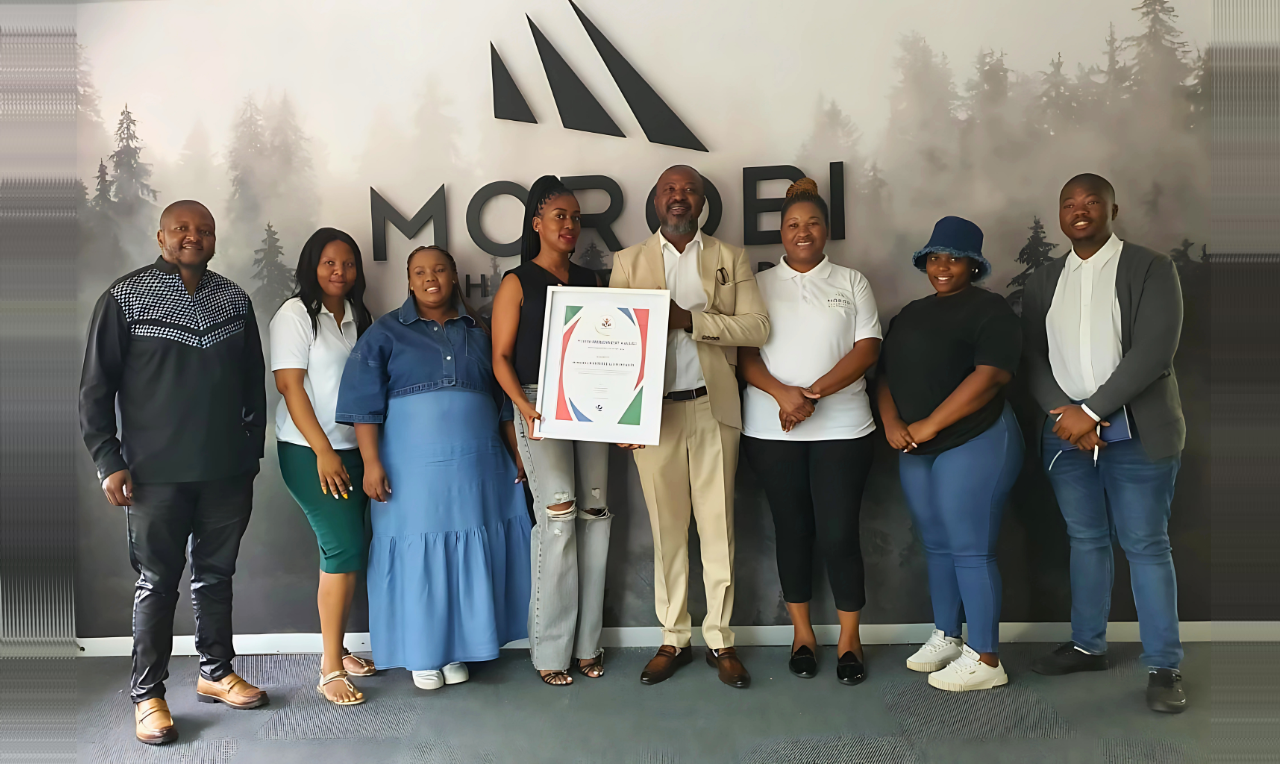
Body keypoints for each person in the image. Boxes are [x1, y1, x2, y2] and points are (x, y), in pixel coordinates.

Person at [79, 200, 269, 746]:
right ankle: (148, 695)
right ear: (160, 237)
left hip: (225, 472)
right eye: (181, 228)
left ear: (214, 239)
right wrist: (108, 459)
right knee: (157, 583)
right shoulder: (124, 297)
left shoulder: (233, 299)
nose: (193, 236)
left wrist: (249, 452)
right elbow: (95, 388)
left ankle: (215, 673)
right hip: (153, 474)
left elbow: (252, 383)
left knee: (216, 576)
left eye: (204, 229)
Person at [1023, 174, 1188, 713]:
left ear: (1113, 209)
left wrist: (1091, 412)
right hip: (1065, 435)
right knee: (1085, 539)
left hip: (1137, 433)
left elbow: (1155, 351)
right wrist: (1065, 414)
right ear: (1060, 214)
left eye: (1092, 201)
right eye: (1069, 203)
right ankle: (1087, 645)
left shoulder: (1150, 268)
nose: (1080, 210)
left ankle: (1163, 666)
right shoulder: (1045, 279)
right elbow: (1033, 356)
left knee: (1146, 545)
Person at [335, 245, 531, 692]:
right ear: (408, 280)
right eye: (420, 271)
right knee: (419, 549)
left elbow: (503, 401)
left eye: (439, 269)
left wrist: (517, 449)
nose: (430, 278)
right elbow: (364, 406)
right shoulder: (385, 333)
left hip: (477, 467)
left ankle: (459, 647)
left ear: (453, 275)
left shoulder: (479, 331)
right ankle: (424, 653)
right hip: (412, 470)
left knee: (468, 547)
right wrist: (371, 463)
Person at [610, 165, 770, 689]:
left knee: (718, 526)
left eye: (689, 190)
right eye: (669, 190)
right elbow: (614, 347)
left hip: (712, 407)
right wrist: (618, 414)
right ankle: (673, 637)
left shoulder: (729, 258)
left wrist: (691, 320)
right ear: (656, 200)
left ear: (702, 202)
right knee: (667, 530)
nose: (679, 197)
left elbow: (757, 327)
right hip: (651, 416)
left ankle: (720, 639)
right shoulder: (628, 262)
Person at [739, 178, 881, 686]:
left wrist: (812, 396)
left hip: (844, 428)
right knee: (792, 531)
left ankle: (849, 638)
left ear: (826, 230)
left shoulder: (851, 281)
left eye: (813, 223)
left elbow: (867, 349)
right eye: (793, 224)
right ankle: (802, 634)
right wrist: (784, 396)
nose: (803, 232)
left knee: (839, 534)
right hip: (771, 430)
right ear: (780, 232)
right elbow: (744, 355)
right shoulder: (756, 285)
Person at [876, 215, 1023, 693]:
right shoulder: (910, 314)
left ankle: (986, 658)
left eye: (955, 259)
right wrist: (892, 423)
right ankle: (948, 635)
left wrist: (930, 424)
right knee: (937, 543)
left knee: (971, 548)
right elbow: (884, 375)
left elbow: (990, 376)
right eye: (935, 258)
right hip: (916, 446)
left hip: (975, 438)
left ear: (973, 265)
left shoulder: (990, 310)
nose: (942, 267)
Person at [491, 176, 612, 687]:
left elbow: (613, 352)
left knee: (596, 514)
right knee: (558, 514)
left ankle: (587, 644)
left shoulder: (593, 281)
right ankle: (550, 649)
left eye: (576, 217)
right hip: (539, 402)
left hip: (592, 401)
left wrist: (623, 415)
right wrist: (524, 408)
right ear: (537, 223)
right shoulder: (517, 282)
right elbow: (500, 357)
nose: (570, 225)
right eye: (560, 216)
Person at [270, 228, 377, 706]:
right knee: (343, 548)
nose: (340, 271)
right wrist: (323, 451)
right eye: (330, 263)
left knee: (348, 551)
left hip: (354, 449)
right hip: (309, 452)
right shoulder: (295, 315)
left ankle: (339, 649)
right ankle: (330, 667)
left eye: (348, 263)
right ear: (311, 266)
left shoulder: (357, 317)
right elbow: (290, 387)